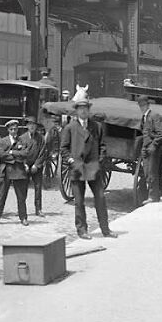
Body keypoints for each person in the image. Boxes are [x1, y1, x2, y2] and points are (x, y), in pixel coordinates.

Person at [60, 90, 118, 240]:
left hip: (93, 168)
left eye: (86, 108)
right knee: (79, 202)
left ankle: (105, 229)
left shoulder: (96, 127)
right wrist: (71, 161)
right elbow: (63, 148)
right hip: (77, 168)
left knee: (100, 198)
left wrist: (99, 160)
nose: (83, 111)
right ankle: (82, 230)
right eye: (80, 109)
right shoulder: (70, 128)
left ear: (89, 110)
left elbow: (103, 146)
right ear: (77, 111)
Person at [0, 119, 30, 225]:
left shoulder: (22, 140)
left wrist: (12, 152)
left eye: (15, 129)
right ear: (8, 130)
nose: (14, 131)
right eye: (11, 129)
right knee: (1, 195)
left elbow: (25, 153)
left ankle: (23, 217)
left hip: (18, 171)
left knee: (21, 196)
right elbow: (1, 155)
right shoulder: (3, 141)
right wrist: (15, 158)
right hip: (5, 171)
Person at [138, 94, 162, 204]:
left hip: (152, 148)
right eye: (140, 105)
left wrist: (153, 145)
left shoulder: (155, 116)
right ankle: (151, 195)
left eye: (144, 105)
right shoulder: (144, 117)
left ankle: (153, 196)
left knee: (152, 172)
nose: (142, 107)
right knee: (146, 172)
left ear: (148, 105)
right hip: (146, 147)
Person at [20, 115, 47, 217]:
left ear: (36, 127)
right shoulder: (22, 138)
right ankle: (23, 210)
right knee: (23, 188)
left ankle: (38, 209)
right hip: (25, 166)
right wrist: (25, 164)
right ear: (27, 126)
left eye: (34, 125)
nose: (32, 127)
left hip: (37, 166)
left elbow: (43, 152)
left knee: (38, 187)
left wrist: (36, 165)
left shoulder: (41, 138)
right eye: (30, 124)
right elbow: (20, 152)